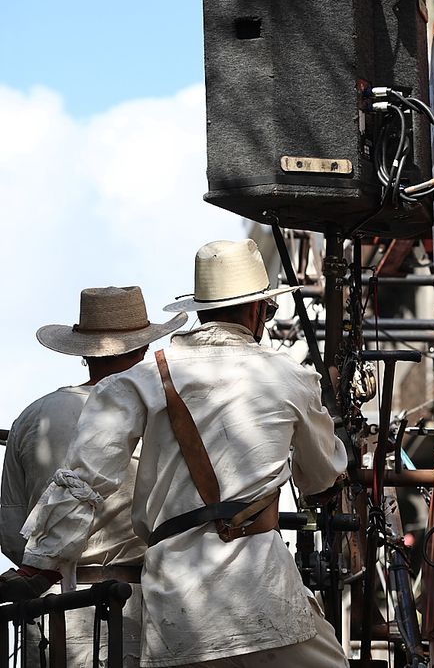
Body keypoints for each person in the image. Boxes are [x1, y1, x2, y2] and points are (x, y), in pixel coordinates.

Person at [3, 239, 349, 668]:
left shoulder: (137, 382)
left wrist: (41, 565)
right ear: (258, 311)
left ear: (201, 310)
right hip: (262, 589)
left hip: (176, 603)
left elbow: (84, 480)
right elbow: (322, 477)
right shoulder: (290, 376)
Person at [1, 285, 186, 667]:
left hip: (47, 613)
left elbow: (11, 532)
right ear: (143, 351)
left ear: (84, 353)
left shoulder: (34, 416)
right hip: (132, 610)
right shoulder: (162, 418)